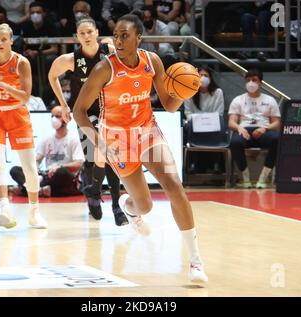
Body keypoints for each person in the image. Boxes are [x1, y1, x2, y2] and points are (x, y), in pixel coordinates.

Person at [73, 14, 208, 283]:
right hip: (117, 141)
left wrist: (183, 92)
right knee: (144, 206)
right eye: (116, 36)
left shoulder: (152, 61)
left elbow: (169, 106)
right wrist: (99, 143)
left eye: (125, 35)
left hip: (147, 132)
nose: (119, 40)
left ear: (139, 38)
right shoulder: (103, 68)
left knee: (174, 186)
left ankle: (195, 261)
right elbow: (78, 112)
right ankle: (130, 208)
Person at [48, 16, 128, 227]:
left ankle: (116, 206)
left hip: (109, 111)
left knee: (110, 157)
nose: (86, 36)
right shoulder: (71, 59)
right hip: (84, 113)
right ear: (77, 37)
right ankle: (93, 194)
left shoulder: (109, 50)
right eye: (82, 33)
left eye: (89, 32)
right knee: (93, 158)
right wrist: (63, 105)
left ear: (97, 33)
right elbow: (52, 75)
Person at [0, 23, 47, 229]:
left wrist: (3, 86)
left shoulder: (21, 62)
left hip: (17, 114)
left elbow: (26, 97)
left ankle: (34, 212)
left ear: (11, 40)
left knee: (29, 167)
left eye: (3, 39)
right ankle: (5, 209)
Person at [10, 106, 85, 197]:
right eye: (52, 116)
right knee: (15, 170)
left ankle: (26, 190)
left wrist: (59, 167)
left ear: (67, 118)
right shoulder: (47, 139)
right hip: (46, 175)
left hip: (62, 177)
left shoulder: (73, 139)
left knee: (62, 172)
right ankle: (40, 188)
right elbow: (37, 159)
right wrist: (33, 168)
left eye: (58, 116)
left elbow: (79, 164)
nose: (54, 119)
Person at [228, 69, 280, 189]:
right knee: (235, 142)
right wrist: (238, 127)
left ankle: (263, 177)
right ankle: (246, 177)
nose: (251, 83)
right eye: (248, 80)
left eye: (254, 80)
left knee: (276, 139)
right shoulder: (238, 100)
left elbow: (277, 123)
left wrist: (265, 129)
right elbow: (231, 122)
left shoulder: (270, 100)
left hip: (264, 130)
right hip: (245, 129)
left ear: (260, 83)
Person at [184, 65, 225, 174]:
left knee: (218, 126)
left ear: (210, 78)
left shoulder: (218, 92)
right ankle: (192, 163)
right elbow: (187, 113)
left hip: (212, 124)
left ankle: (216, 163)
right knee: (188, 127)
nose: (203, 78)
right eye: (200, 75)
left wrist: (205, 120)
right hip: (194, 124)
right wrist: (199, 120)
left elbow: (219, 113)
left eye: (205, 75)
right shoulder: (189, 92)